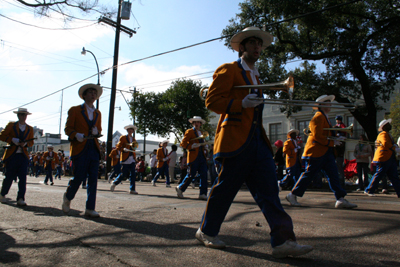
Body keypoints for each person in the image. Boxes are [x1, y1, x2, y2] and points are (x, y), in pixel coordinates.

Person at [197, 27, 312, 258]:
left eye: (259, 44)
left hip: (257, 142)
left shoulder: (256, 75)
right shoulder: (229, 69)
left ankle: (283, 241)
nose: (257, 48)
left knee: (270, 192)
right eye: (252, 43)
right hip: (234, 141)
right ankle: (206, 232)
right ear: (242, 47)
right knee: (225, 190)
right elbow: (212, 101)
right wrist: (240, 104)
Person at [286, 95, 357, 209]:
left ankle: (340, 199)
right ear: (321, 105)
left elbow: (324, 134)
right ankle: (292, 194)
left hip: (325, 151)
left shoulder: (325, 117)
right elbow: (318, 136)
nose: (330, 104)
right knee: (309, 175)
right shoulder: (318, 117)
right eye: (328, 102)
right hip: (316, 152)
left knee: (333, 175)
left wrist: (336, 139)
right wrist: (333, 143)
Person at [62, 83, 103, 217]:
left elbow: (99, 129)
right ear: (84, 95)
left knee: (93, 180)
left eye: (94, 93)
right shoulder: (74, 110)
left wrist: (97, 131)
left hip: (93, 148)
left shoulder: (98, 113)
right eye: (90, 92)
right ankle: (68, 196)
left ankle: (90, 208)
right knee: (79, 177)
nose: (93, 94)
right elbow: (68, 129)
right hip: (80, 148)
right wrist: (76, 135)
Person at [0, 107, 34, 206]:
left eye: (25, 115)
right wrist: (13, 140)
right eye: (22, 115)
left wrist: (26, 144)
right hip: (12, 155)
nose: (24, 117)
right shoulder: (11, 125)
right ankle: (2, 194)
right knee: (9, 176)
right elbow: (1, 136)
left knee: (23, 178)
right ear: (18, 116)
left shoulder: (29, 128)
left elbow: (31, 142)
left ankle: (20, 198)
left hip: (23, 156)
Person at [364, 119, 400, 197]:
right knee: (379, 175)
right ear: (384, 126)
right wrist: (394, 147)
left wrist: (395, 146)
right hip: (383, 158)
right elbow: (385, 143)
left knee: (394, 176)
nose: (390, 125)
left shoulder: (387, 134)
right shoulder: (383, 134)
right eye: (388, 124)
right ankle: (369, 190)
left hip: (389, 158)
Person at [176, 116, 209, 200]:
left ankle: (203, 193)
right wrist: (190, 146)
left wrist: (206, 146)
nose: (196, 124)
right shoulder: (189, 131)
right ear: (193, 123)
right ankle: (180, 188)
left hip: (202, 156)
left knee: (204, 174)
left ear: (200, 124)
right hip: (193, 156)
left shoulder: (202, 132)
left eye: (198, 122)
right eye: (195, 122)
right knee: (191, 175)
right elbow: (182, 143)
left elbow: (203, 143)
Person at [110, 125, 138, 194]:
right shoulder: (123, 137)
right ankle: (114, 183)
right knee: (124, 174)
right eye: (129, 130)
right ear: (127, 130)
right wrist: (123, 149)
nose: (130, 131)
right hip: (125, 158)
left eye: (132, 130)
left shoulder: (134, 139)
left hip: (132, 158)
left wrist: (135, 155)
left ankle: (132, 189)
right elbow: (118, 146)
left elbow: (135, 148)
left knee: (133, 174)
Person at [334, 115, 347, 188]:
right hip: (336, 153)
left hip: (339, 153)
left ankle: (341, 183)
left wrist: (338, 130)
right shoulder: (337, 125)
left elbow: (343, 131)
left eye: (337, 120)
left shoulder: (342, 125)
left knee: (339, 169)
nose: (336, 121)